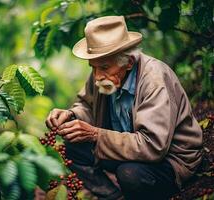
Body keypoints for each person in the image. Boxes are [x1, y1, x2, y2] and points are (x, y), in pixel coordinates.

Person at [45, 16, 203, 200]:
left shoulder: (154, 80)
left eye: (103, 67)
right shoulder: (103, 75)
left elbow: (153, 147)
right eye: (93, 67)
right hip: (125, 148)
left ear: (128, 62)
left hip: (170, 159)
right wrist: (71, 115)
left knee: (129, 174)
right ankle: (113, 197)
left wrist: (95, 134)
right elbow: (87, 106)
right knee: (73, 147)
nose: (96, 77)